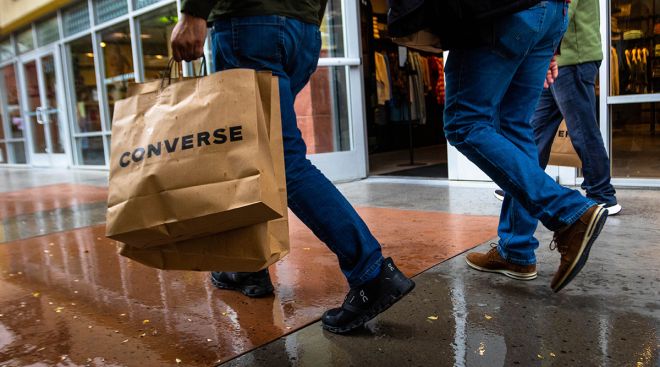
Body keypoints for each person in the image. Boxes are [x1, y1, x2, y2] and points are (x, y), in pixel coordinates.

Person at [170, 0, 414, 334]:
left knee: (280, 158)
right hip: (303, 29)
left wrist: (195, 11)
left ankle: (371, 273)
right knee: (253, 152)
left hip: (250, 25)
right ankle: (249, 267)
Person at [444, 0, 609, 291]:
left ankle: (567, 210)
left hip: (504, 12)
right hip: (549, 15)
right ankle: (516, 250)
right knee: (516, 125)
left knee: (464, 123)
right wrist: (550, 42)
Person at [495, 0, 621, 217]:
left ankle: (602, 194)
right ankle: (524, 184)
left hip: (572, 60)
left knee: (582, 129)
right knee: (536, 128)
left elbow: (563, 12)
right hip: (555, 60)